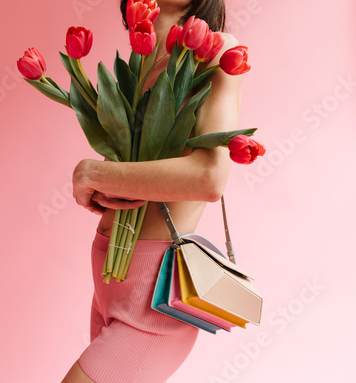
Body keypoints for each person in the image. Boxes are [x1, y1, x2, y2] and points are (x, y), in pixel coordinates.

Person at [62, 0, 242, 381]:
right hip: (109, 282)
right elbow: (145, 167)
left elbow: (210, 177)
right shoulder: (140, 61)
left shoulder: (217, 51)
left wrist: (93, 172)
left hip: (156, 296)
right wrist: (105, 184)